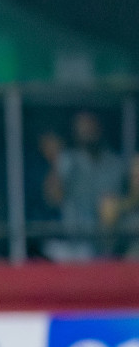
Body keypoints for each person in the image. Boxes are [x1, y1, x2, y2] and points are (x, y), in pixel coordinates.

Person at [41, 111, 125, 261]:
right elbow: (53, 197)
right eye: (83, 128)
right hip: (76, 246)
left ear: (100, 128)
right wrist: (55, 160)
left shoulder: (116, 164)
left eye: (91, 127)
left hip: (112, 245)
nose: (87, 132)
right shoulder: (67, 160)